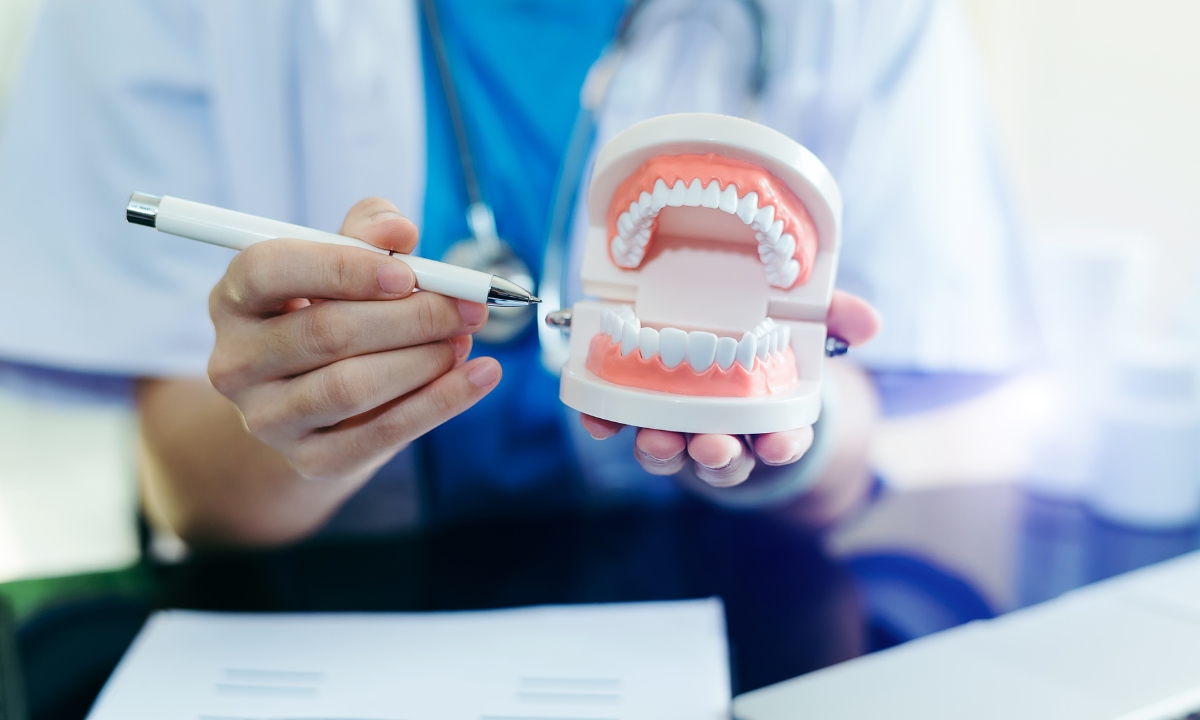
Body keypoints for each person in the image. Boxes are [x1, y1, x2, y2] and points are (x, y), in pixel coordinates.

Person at [0, 0, 1031, 549]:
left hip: (710, 610)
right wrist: (300, 404)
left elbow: (851, 414)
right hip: (329, 616)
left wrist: (791, 437)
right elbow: (198, 493)